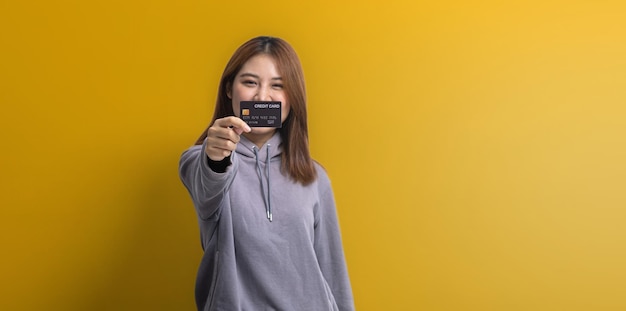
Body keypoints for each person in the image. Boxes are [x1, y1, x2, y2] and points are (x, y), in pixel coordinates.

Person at [179, 36, 355, 311]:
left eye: (278, 85)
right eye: (250, 82)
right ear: (229, 89)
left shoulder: (314, 176)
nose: (262, 96)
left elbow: (332, 267)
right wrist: (215, 159)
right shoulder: (200, 160)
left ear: (292, 96)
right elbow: (206, 190)